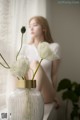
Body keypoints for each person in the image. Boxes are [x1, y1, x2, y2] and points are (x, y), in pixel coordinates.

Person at [21, 16, 61, 107]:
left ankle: (32, 99)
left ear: (43, 28)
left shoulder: (54, 47)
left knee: (35, 63)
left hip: (46, 92)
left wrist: (54, 94)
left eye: (35, 25)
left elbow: (54, 74)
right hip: (28, 90)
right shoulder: (25, 48)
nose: (31, 28)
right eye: (30, 26)